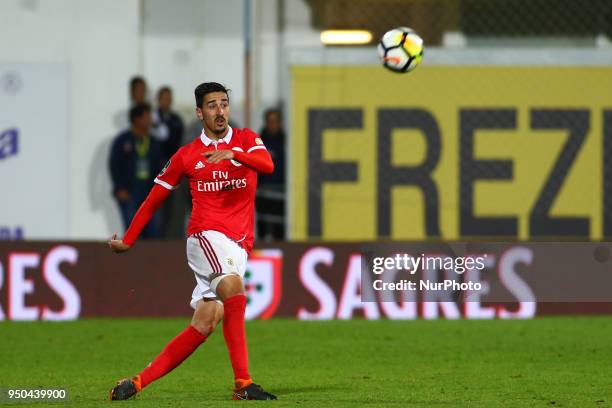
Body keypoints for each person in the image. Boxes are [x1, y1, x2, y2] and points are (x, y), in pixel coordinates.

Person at [107, 82, 277, 401]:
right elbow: (153, 199)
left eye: (224, 103)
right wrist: (129, 239)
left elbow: (268, 165)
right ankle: (243, 383)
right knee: (235, 291)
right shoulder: (187, 155)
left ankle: (138, 382)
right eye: (212, 105)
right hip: (206, 237)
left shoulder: (247, 140)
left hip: (238, 245)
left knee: (205, 322)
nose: (220, 111)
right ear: (199, 112)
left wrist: (234, 153)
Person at [109, 103, 163, 238]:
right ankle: (132, 259)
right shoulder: (123, 140)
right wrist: (119, 188)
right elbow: (114, 165)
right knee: (132, 231)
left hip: (149, 193)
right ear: (137, 119)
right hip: (129, 192)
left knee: (153, 231)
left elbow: (161, 166)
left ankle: (151, 259)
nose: (150, 120)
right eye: (147, 117)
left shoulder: (153, 141)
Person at [256, 108, 286, 240]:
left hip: (281, 191)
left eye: (275, 121)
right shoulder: (258, 142)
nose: (273, 124)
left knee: (279, 228)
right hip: (262, 190)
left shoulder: (286, 142)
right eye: (270, 121)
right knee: (262, 226)